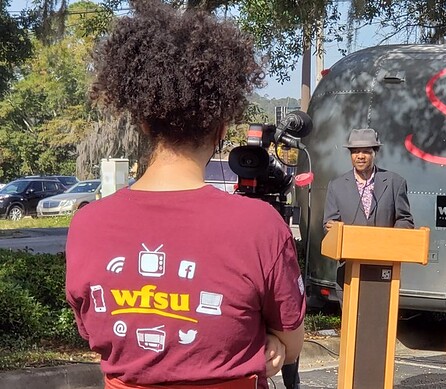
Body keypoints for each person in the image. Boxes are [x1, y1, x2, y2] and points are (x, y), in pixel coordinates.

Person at [64, 1, 305, 388]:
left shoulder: (87, 223)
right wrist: (267, 339)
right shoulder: (259, 225)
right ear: (222, 127)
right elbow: (291, 343)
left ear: (143, 120)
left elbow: (96, 335)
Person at [323, 128, 415, 302]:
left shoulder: (395, 182)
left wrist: (386, 239)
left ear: (375, 153)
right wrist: (335, 230)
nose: (360, 156)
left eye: (366, 151)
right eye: (355, 152)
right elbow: (329, 224)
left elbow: (405, 220)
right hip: (349, 271)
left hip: (383, 269)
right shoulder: (336, 186)